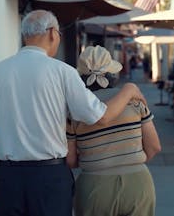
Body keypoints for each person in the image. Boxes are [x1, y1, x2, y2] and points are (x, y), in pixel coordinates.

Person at [0, 10, 146, 216]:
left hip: (8, 178)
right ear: (52, 33)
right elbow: (101, 117)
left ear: (25, 36)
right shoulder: (63, 72)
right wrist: (129, 90)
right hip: (50, 178)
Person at [67, 45, 162, 216]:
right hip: (137, 184)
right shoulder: (134, 101)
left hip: (93, 187)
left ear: (80, 77)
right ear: (112, 74)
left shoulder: (74, 110)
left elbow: (70, 160)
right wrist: (129, 162)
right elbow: (154, 147)